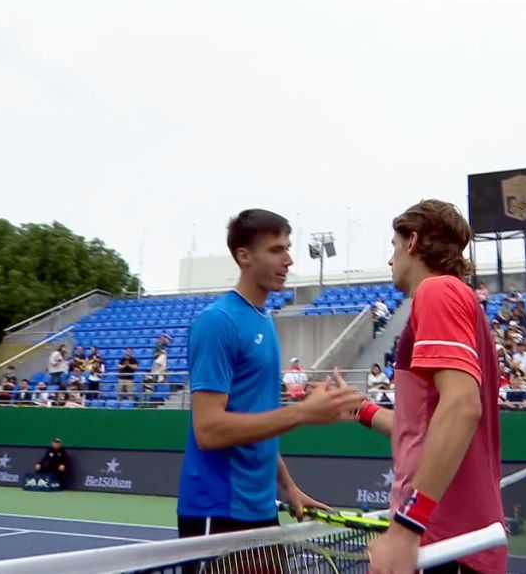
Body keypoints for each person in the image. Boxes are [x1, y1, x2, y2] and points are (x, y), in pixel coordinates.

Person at [177, 209, 362, 542]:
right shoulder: (217, 322)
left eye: (288, 248)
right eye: (276, 250)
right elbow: (208, 430)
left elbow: (256, 418)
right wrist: (303, 412)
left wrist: (288, 487)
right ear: (244, 256)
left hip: (262, 510)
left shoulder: (264, 321)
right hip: (217, 512)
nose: (288, 260)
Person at [352, 200, 506, 574]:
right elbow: (423, 426)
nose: (390, 259)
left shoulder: (437, 291)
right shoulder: (454, 296)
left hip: (444, 542)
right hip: (451, 540)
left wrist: (407, 526)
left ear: (413, 242)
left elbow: (461, 409)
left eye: (393, 245)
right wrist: (361, 411)